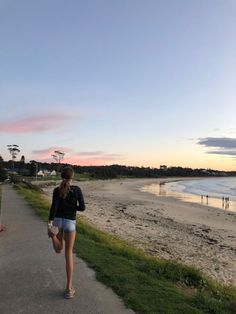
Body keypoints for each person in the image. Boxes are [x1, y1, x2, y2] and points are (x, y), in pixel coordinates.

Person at [48, 166, 85, 299]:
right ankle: (69, 288)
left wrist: (50, 222)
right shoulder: (77, 190)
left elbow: (54, 207)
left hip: (58, 220)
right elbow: (82, 207)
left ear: (62, 176)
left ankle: (53, 237)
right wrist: (72, 206)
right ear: (72, 176)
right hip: (70, 222)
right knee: (68, 253)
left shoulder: (57, 190)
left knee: (59, 249)